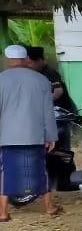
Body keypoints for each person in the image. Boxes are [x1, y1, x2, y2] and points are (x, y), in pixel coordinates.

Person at [0, 44, 60, 220]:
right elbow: (47, 111)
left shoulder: (1, 79)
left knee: (5, 171)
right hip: (34, 134)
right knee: (41, 169)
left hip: (7, 136)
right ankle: (49, 207)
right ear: (26, 59)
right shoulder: (41, 80)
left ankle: (3, 212)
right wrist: (51, 135)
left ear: (7, 59)